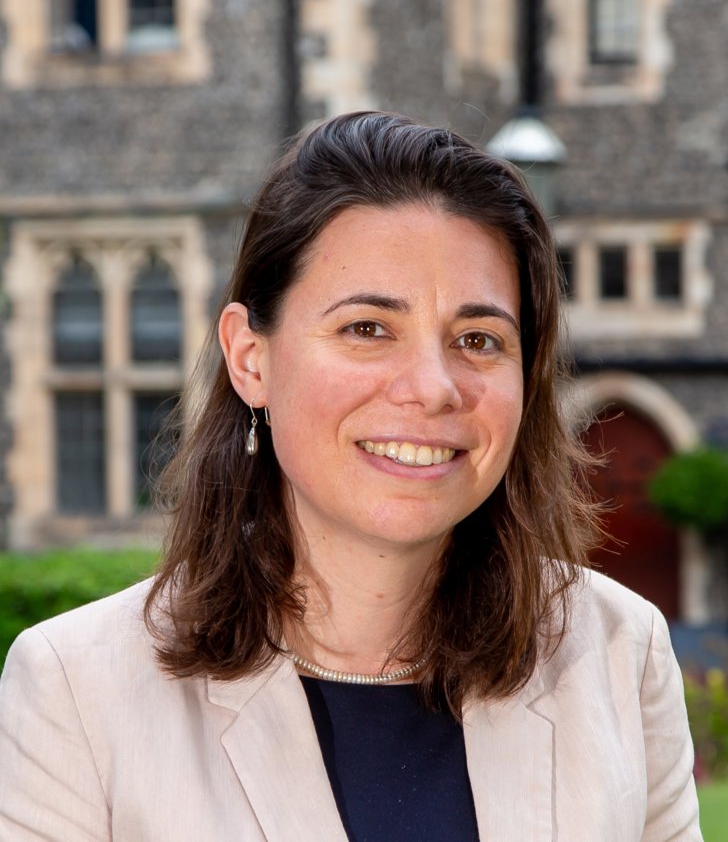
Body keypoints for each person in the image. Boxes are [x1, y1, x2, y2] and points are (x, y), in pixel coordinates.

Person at [0, 111, 701, 841]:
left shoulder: (619, 652)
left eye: (478, 339)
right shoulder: (76, 691)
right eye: (368, 328)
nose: (434, 387)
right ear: (251, 358)